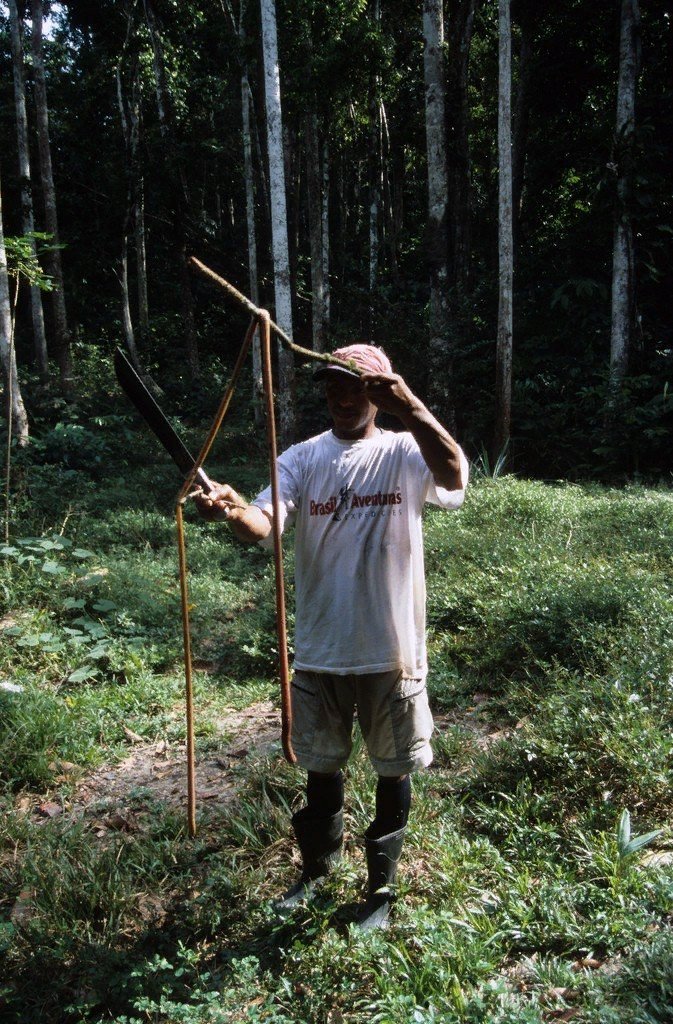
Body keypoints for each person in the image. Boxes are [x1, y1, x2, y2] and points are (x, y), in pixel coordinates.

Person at [196, 343, 468, 930]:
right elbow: (261, 525)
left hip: (391, 648)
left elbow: (455, 476)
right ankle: (317, 872)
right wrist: (232, 510)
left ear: (379, 391)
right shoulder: (302, 458)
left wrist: (412, 407)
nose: (345, 398)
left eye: (359, 387)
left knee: (392, 768)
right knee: (323, 766)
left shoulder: (403, 450)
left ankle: (381, 889)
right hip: (321, 647)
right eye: (334, 387)